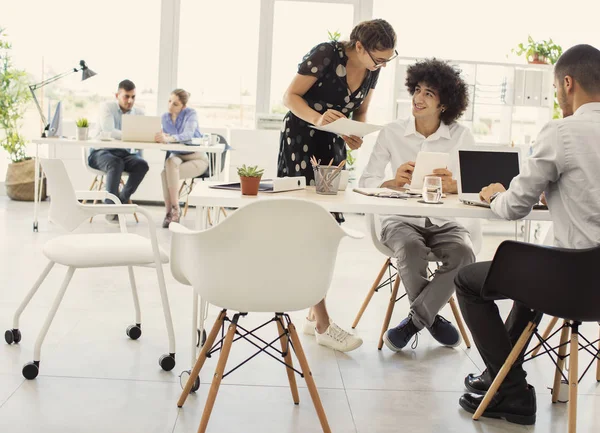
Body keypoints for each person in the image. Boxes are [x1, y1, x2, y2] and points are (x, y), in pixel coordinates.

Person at [456, 44, 600, 426]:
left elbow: (513, 207)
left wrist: (494, 196)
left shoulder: (563, 131)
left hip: (574, 285)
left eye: (555, 88)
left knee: (469, 281)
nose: (557, 96)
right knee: (531, 274)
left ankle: (513, 392)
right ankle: (498, 379)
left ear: (568, 83)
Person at [278, 19, 397, 352]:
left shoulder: (373, 70)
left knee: (326, 229)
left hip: (332, 145)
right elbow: (290, 96)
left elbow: (360, 112)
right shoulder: (326, 54)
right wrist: (317, 118)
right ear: (360, 46)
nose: (383, 65)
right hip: (301, 139)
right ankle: (323, 321)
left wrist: (354, 132)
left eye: (389, 59)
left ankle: (314, 312)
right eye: (379, 58)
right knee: (308, 226)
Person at [359, 58, 477, 352]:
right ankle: (432, 318)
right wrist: (392, 182)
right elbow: (366, 182)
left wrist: (454, 186)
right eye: (418, 90)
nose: (418, 99)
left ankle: (413, 323)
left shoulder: (461, 136)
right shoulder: (392, 131)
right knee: (410, 248)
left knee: (464, 254)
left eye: (429, 94)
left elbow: (476, 188)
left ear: (444, 105)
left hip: (444, 222)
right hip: (399, 219)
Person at [90, 79, 149, 222]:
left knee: (142, 164)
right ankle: (110, 208)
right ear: (117, 96)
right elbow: (109, 130)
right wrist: (132, 135)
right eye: (126, 96)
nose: (130, 101)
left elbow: (141, 137)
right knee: (115, 163)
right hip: (101, 152)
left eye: (133, 97)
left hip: (124, 153)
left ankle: (121, 202)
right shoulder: (107, 107)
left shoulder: (139, 112)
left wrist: (138, 155)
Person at [155, 89, 209, 228]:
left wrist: (169, 138)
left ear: (183, 106)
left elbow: (188, 134)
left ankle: (172, 213)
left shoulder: (191, 114)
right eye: (169, 101)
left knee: (166, 172)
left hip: (197, 157)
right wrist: (161, 138)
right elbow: (166, 139)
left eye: (175, 103)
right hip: (178, 156)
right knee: (169, 164)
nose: (170, 106)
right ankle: (173, 210)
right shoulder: (165, 118)